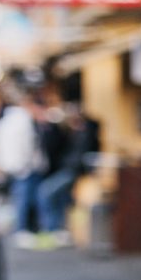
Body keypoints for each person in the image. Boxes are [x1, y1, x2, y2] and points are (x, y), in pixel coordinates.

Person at [36, 101, 100, 248]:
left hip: (71, 170)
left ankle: (52, 229)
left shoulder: (84, 132)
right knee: (60, 199)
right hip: (68, 169)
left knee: (46, 192)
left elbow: (77, 155)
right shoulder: (75, 131)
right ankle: (57, 229)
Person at [0, 87, 48, 248]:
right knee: (24, 200)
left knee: (22, 199)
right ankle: (23, 230)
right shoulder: (22, 122)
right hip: (24, 168)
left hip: (16, 166)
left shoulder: (6, 121)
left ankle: (25, 229)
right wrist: (26, 164)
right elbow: (25, 147)